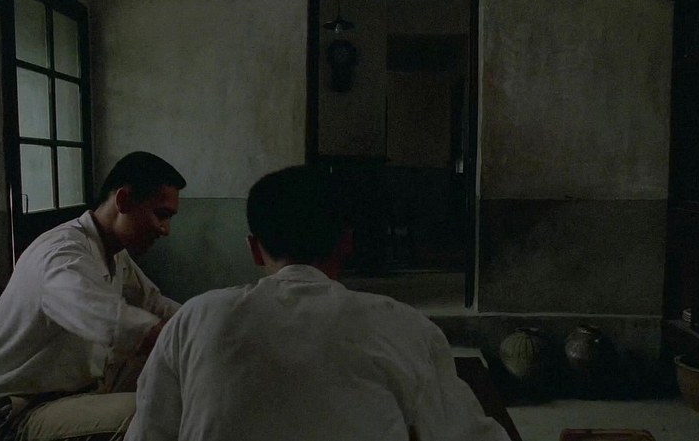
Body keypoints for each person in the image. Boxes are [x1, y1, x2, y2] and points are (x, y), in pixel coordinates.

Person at [124, 165, 507, 441]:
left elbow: (148, 431)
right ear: (347, 242)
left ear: (254, 249)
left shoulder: (195, 318)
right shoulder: (404, 326)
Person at [0, 151, 186, 441]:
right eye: (161, 215)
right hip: (13, 413)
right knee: (157, 411)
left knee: (167, 379)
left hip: (70, 393)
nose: (165, 229)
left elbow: (155, 303)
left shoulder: (113, 253)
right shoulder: (62, 254)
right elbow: (109, 319)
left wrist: (208, 320)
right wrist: (179, 338)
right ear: (124, 200)